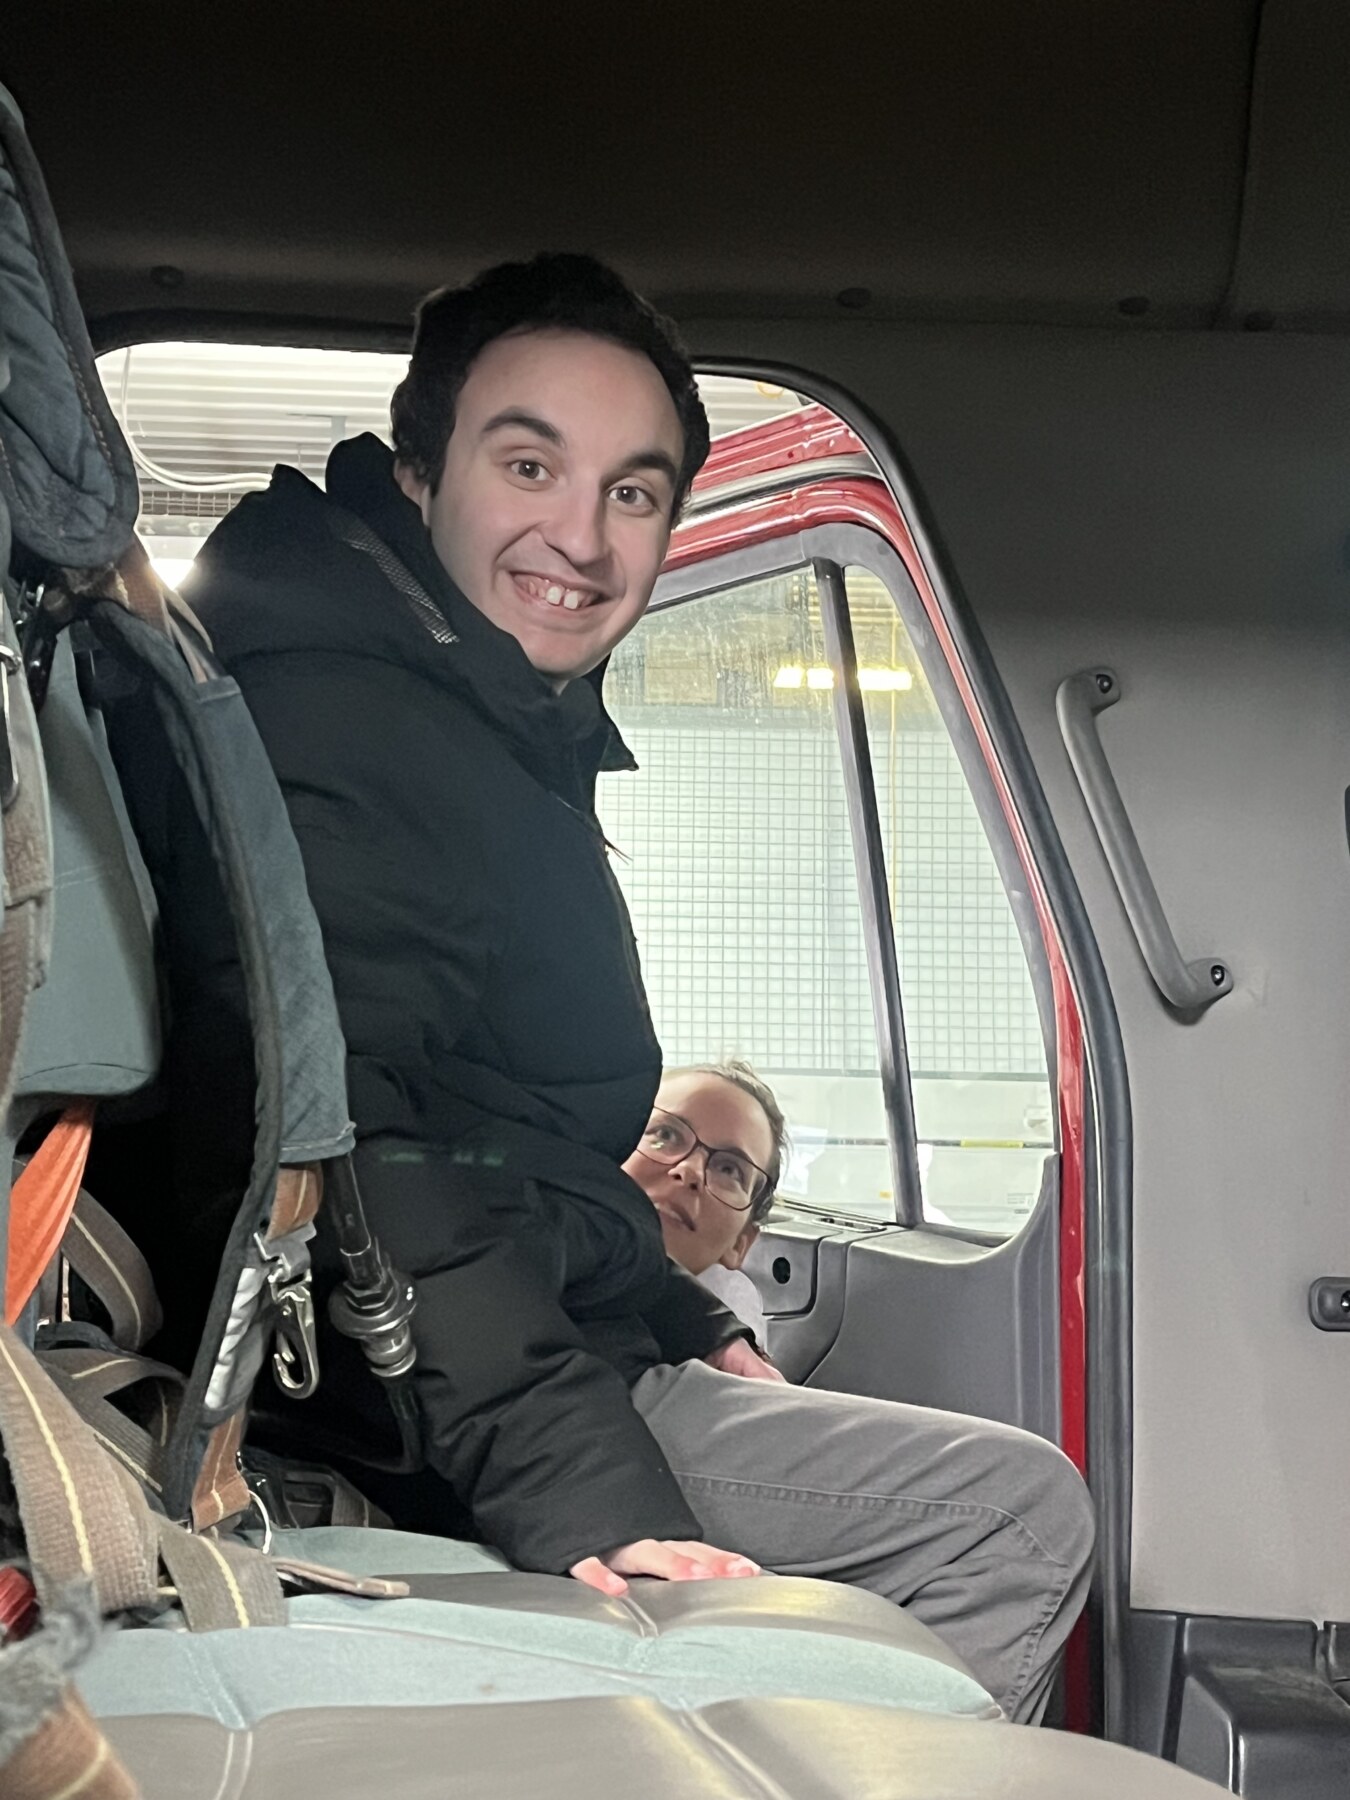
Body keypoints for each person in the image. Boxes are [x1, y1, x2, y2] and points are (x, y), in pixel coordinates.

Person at [187, 253, 1093, 1721]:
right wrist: (584, 1491)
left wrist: (688, 1321)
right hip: (425, 1393)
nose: (582, 534)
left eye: (633, 490)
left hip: (519, 1342)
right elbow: (350, 1147)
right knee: (1016, 1517)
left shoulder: (468, 710)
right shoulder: (351, 722)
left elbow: (509, 1148)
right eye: (528, 463)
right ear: (419, 475)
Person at [624, 1062, 784, 1341]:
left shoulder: (734, 1361)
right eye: (665, 1134)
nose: (690, 1170)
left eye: (729, 1170)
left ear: (739, 1244)